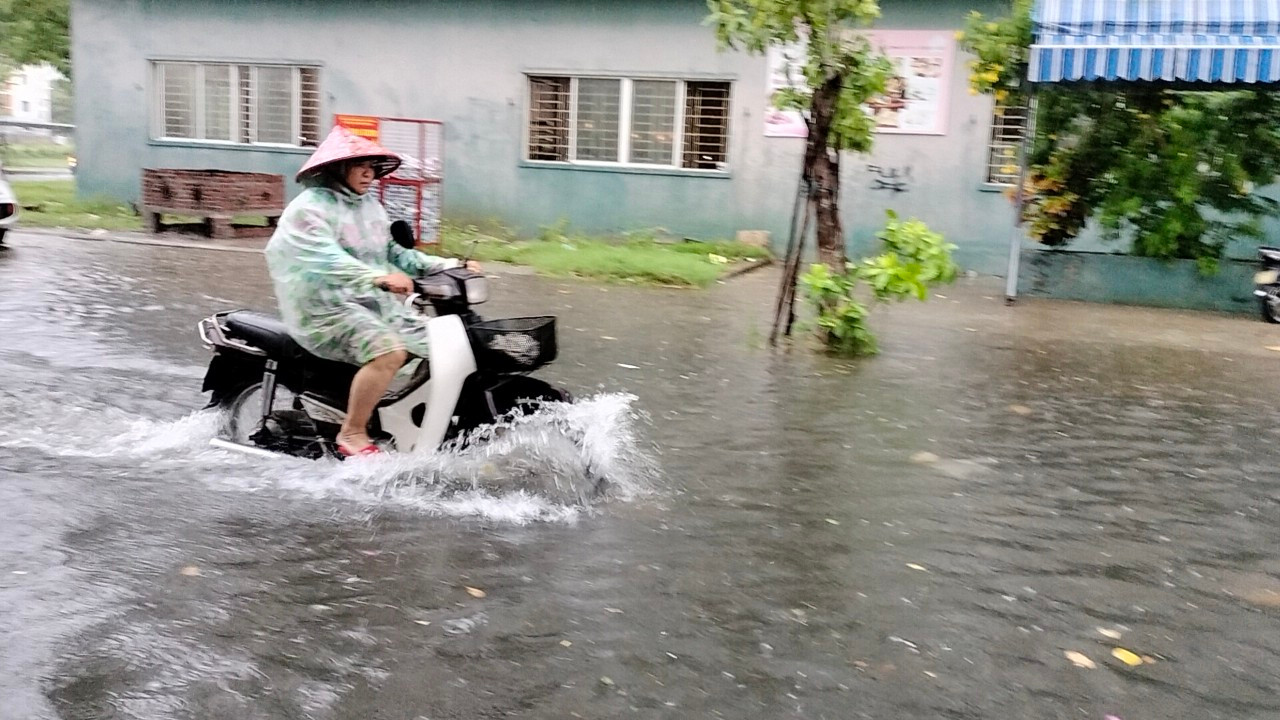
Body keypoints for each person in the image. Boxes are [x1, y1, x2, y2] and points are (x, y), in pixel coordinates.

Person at [265, 125, 479, 456]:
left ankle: (411, 423)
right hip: (325, 307)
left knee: (438, 344)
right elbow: (325, 258)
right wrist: (376, 278)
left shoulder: (369, 207)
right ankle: (352, 432)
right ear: (337, 168)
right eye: (359, 166)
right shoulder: (309, 209)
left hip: (368, 302)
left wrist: (449, 265)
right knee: (389, 351)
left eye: (373, 167)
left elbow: (397, 255)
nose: (368, 174)